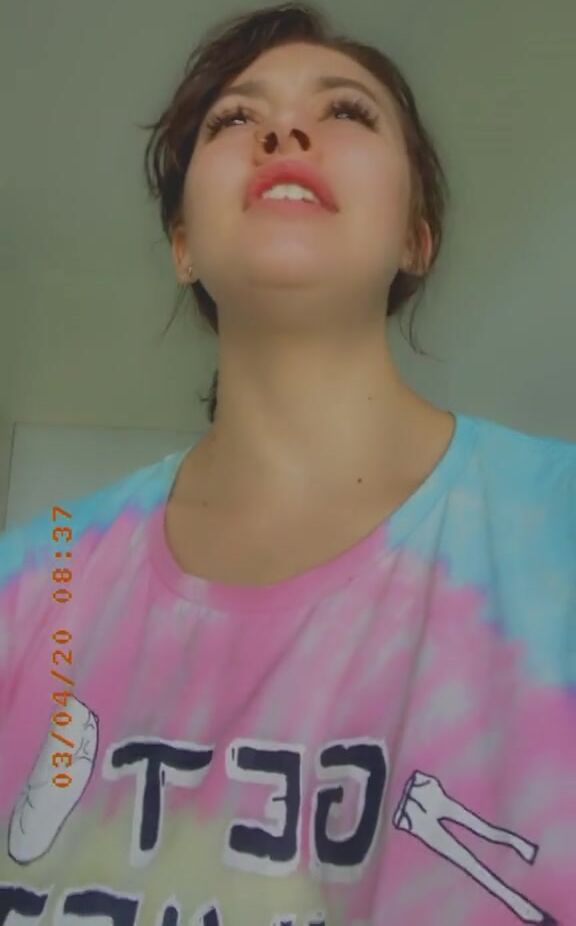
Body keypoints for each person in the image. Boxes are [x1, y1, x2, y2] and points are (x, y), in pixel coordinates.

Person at [0, 3, 574, 924]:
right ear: (183, 246)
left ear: (415, 238)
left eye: (345, 111)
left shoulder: (560, 536)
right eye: (236, 118)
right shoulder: (35, 582)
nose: (284, 132)